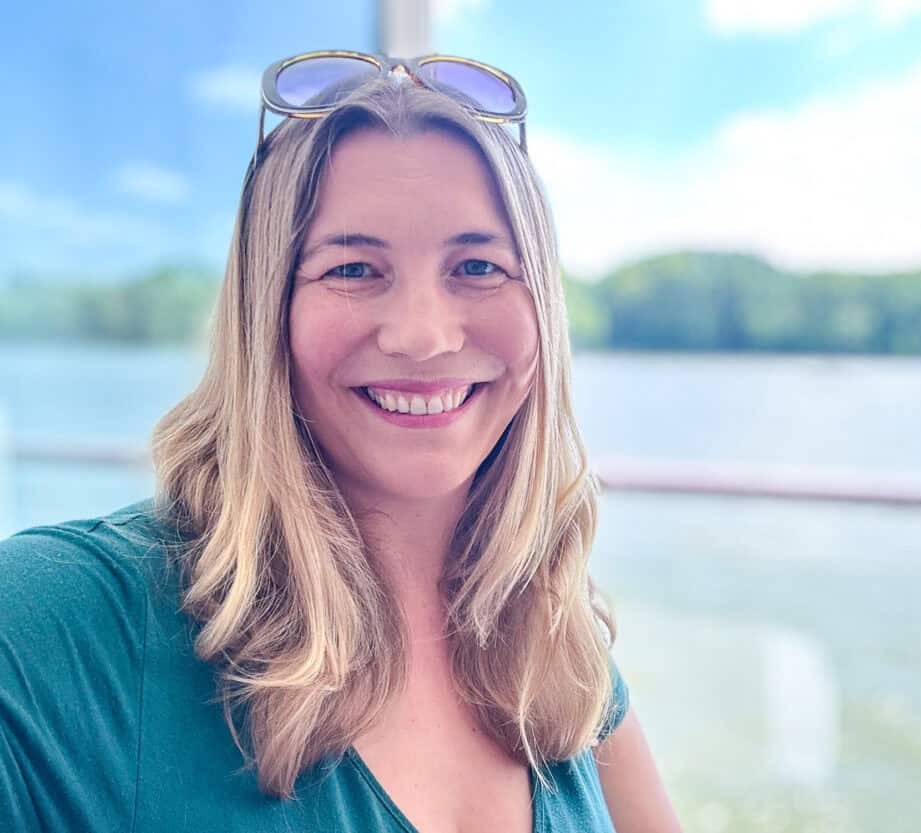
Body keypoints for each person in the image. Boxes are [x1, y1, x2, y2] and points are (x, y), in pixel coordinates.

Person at [0, 51, 682, 832]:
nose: (423, 335)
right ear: (268, 313)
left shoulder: (552, 639)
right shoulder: (62, 625)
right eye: (354, 268)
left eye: (478, 266)